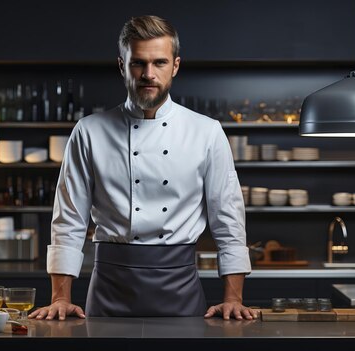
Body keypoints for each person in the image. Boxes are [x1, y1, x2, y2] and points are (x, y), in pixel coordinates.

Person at [29, 15, 256, 320]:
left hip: (180, 287)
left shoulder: (207, 131)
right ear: (122, 65)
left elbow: (228, 220)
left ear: (175, 65)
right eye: (138, 63)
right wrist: (60, 298)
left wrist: (233, 298)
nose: (149, 74)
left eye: (159, 63)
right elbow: (69, 220)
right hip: (110, 286)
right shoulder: (89, 131)